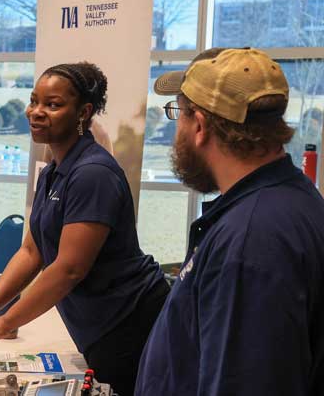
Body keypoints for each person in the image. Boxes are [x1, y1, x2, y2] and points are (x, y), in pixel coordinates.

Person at [0, 62, 169, 396]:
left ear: (84, 112)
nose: (36, 112)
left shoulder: (93, 173)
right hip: (97, 324)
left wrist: (5, 322)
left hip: (129, 320)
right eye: (34, 101)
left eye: (53, 105)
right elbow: (31, 252)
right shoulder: (52, 170)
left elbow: (68, 269)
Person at [136, 47, 324, 395]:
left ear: (200, 126)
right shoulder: (289, 200)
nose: (177, 128)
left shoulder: (251, 241)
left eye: (179, 112)